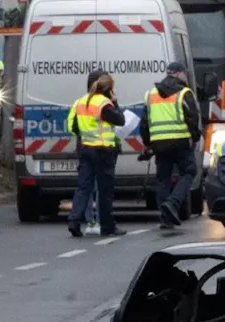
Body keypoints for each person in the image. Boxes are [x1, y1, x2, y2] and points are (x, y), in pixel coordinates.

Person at [140, 60, 203, 233]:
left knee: (163, 179)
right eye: (184, 73)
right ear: (180, 73)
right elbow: (193, 118)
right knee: (189, 172)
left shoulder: (151, 94)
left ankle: (165, 218)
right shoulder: (184, 93)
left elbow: (144, 122)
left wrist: (148, 143)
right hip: (180, 141)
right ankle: (173, 203)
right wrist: (195, 138)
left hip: (159, 143)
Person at [67, 71, 126, 237]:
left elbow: (76, 127)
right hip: (102, 151)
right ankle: (108, 226)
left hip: (85, 148)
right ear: (109, 88)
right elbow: (120, 120)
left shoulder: (81, 102)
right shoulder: (104, 104)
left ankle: (74, 220)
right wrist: (115, 102)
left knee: (83, 187)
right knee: (105, 190)